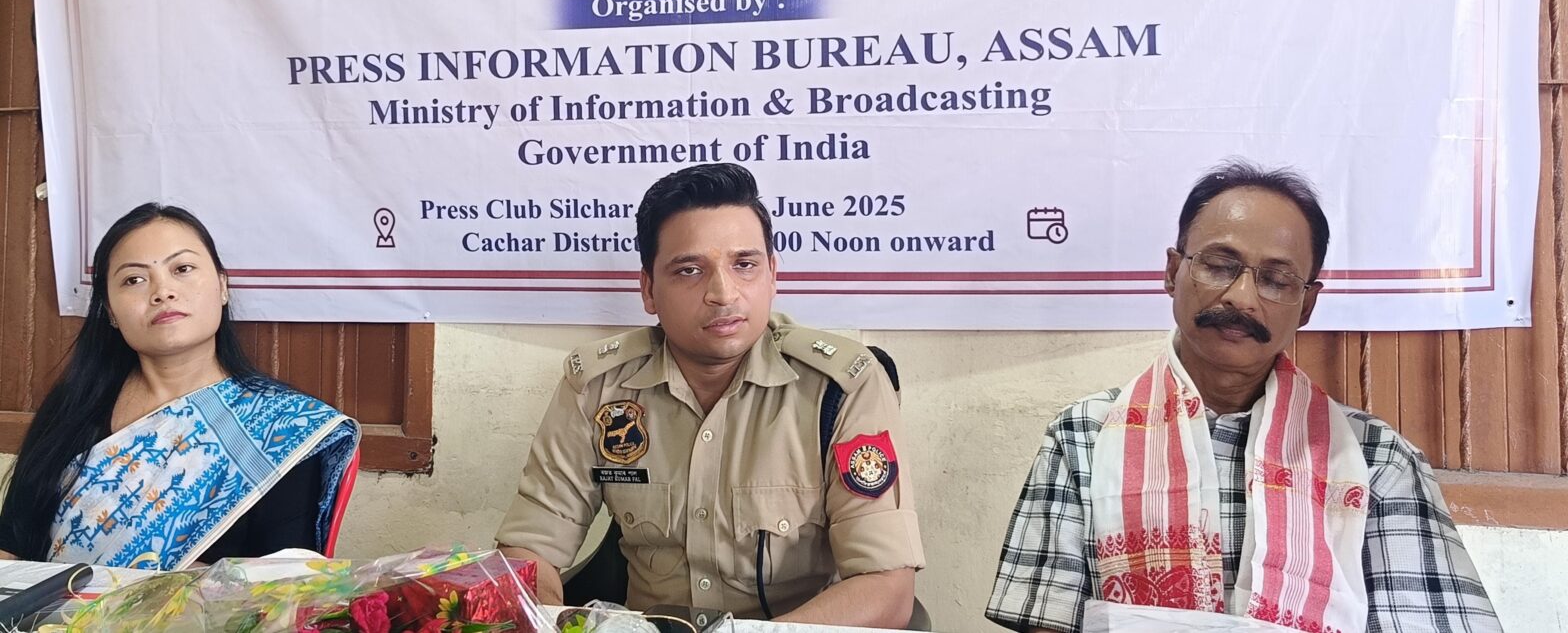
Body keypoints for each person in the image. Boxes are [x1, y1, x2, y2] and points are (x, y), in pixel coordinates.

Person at [986, 159, 1501, 633]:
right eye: (1218, 265)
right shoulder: (1083, 437)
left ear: (1306, 306)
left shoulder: (1374, 458)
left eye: (1276, 279)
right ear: (1172, 272)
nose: (1241, 297)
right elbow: (1046, 622)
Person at [497, 163, 923, 627]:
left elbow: (886, 587)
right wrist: (547, 618)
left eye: (744, 265)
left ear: (772, 275)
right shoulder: (599, 387)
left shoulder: (839, 389)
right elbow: (529, 550)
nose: (723, 293)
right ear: (649, 290)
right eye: (690, 270)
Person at [0, 203, 360, 569]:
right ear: (110, 311)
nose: (163, 291)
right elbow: (11, 545)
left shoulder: (283, 428)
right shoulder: (74, 405)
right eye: (134, 280)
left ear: (222, 286)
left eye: (182, 269)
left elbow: (283, 584)